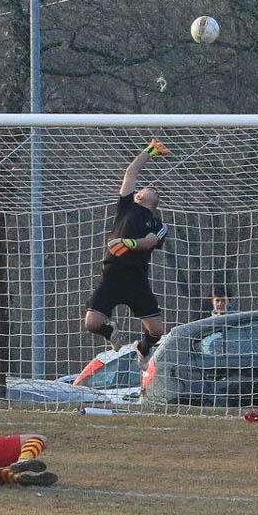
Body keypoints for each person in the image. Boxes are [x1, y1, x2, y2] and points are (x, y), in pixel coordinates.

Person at [84, 138, 171, 365]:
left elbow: (150, 242)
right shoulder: (126, 206)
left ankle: (143, 348)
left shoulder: (159, 224)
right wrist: (150, 150)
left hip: (136, 280)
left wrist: (130, 243)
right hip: (112, 274)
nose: (151, 188)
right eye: (146, 188)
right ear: (138, 196)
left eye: (154, 190)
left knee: (157, 331)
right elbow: (131, 172)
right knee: (91, 323)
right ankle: (110, 331)